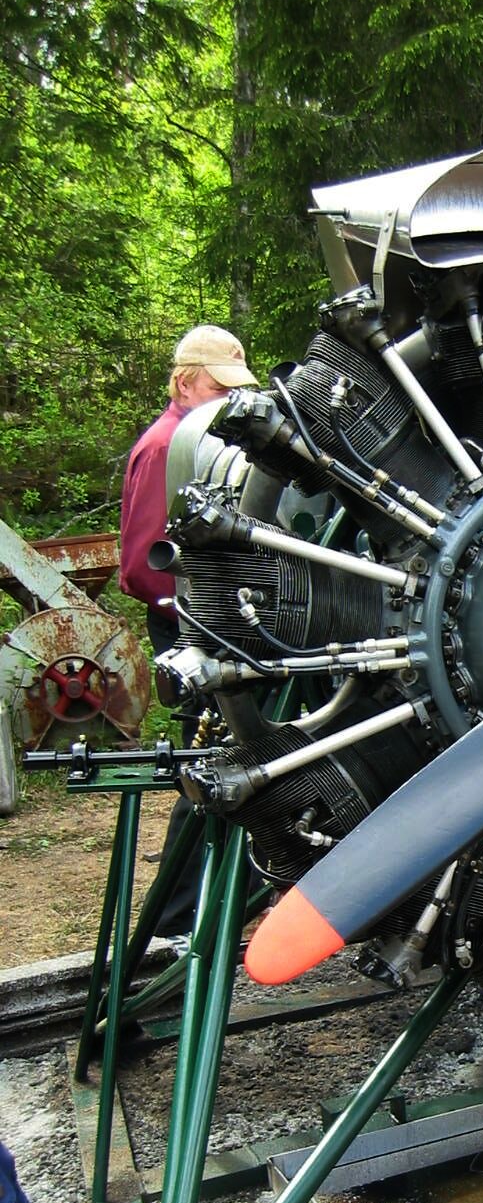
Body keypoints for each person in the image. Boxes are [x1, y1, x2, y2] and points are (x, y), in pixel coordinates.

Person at [120, 325, 258, 937]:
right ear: (183, 381)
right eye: (215, 387)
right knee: (215, 769)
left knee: (247, 761)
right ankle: (177, 923)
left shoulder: (207, 440)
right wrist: (208, 620)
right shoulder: (167, 446)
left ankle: (229, 903)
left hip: (221, 625)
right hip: (191, 631)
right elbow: (143, 565)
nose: (225, 399)